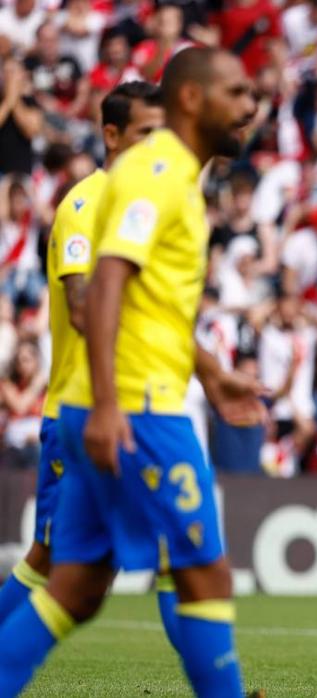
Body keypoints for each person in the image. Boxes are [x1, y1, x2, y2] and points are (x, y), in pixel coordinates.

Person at [0, 49, 261, 697]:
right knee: (205, 574)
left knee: (75, 588)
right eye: (236, 92)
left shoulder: (173, 176)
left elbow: (151, 304)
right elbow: (104, 282)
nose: (249, 106)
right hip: (137, 408)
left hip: (118, 400)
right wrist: (113, 403)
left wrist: (210, 372)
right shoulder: (161, 172)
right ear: (194, 100)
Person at [0, 81, 164, 630]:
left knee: (167, 551)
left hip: (131, 408)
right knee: (52, 560)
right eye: (146, 133)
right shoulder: (84, 204)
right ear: (111, 135)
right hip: (79, 411)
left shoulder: (142, 207)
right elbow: (78, 307)